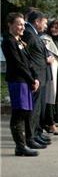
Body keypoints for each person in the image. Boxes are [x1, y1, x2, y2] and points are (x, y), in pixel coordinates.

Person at [2, 12, 41, 156]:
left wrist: (35, 78)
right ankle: (20, 146)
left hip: (26, 81)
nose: (22, 27)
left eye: (23, 24)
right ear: (10, 25)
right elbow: (18, 64)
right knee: (19, 113)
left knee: (25, 112)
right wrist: (31, 80)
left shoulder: (19, 41)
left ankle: (23, 143)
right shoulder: (8, 41)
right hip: (18, 81)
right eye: (19, 24)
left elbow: (29, 62)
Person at [21, 10, 53, 146]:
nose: (45, 26)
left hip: (41, 75)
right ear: (37, 21)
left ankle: (37, 133)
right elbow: (27, 57)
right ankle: (31, 136)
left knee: (39, 108)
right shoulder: (28, 33)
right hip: (36, 76)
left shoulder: (34, 33)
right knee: (33, 109)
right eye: (44, 23)